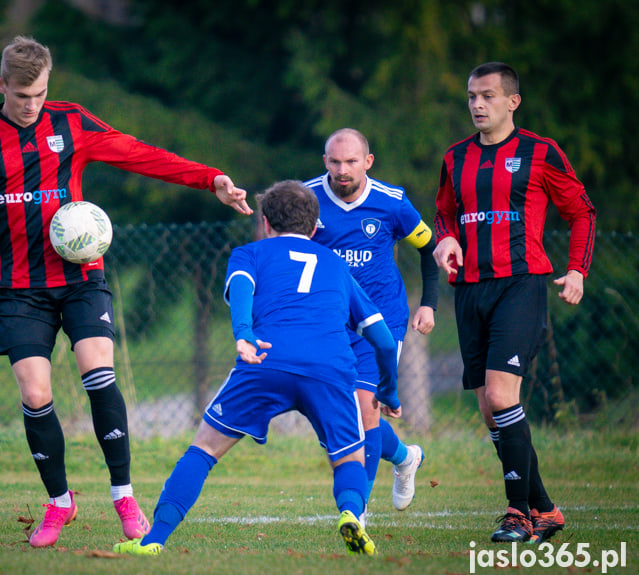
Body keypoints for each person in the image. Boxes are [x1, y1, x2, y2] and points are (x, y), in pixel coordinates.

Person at [0, 36, 252, 548]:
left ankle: (124, 495)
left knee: (99, 373)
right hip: (19, 287)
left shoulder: (70, 123)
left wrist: (211, 179)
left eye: (40, 94)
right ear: (1, 85)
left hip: (79, 277)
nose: (31, 105)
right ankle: (59, 504)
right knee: (35, 392)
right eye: (22, 95)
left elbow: (138, 154)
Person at [112, 180, 402, 558]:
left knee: (203, 450)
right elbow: (381, 339)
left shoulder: (249, 254)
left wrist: (244, 333)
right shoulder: (336, 265)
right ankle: (350, 512)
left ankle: (153, 541)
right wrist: (389, 392)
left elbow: (243, 288)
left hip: (266, 359)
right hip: (329, 369)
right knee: (349, 456)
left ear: (265, 223)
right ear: (316, 228)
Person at [433, 62, 596, 544]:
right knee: (491, 410)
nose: (477, 105)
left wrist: (577, 269)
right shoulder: (454, 157)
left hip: (520, 284)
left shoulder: (540, 152)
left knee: (504, 398)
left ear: (512, 101)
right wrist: (446, 241)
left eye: (487, 96)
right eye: (470, 97)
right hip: (470, 292)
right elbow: (443, 215)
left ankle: (517, 513)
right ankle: (545, 510)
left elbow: (581, 210)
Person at [305, 128, 436, 514]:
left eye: (350, 162)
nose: (342, 170)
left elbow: (428, 248)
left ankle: (356, 510)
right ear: (325, 161)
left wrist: (428, 304)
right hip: (329, 322)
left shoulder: (392, 203)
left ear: (368, 162)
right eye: (334, 161)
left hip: (381, 321)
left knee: (366, 408)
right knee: (337, 416)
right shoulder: (307, 198)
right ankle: (405, 457)